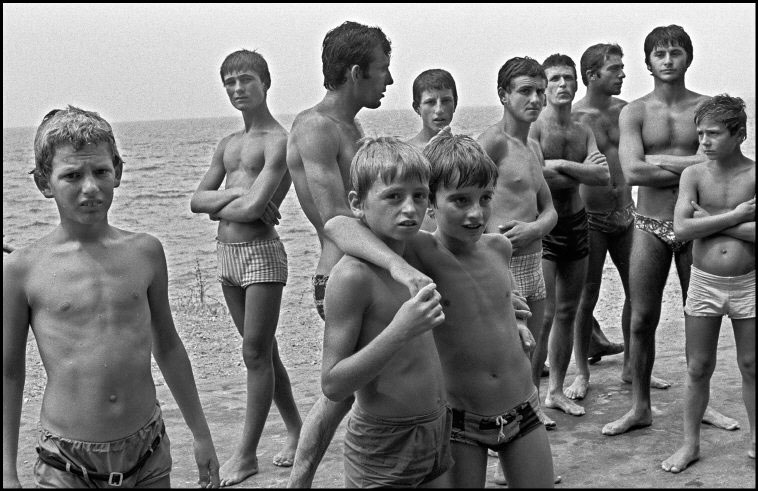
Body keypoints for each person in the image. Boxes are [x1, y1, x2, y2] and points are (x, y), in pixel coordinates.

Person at [3, 106, 220, 488]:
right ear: (43, 183)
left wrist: (201, 435)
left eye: (100, 171)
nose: (89, 187)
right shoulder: (23, 269)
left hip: (147, 449)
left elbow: (168, 346)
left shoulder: (146, 252)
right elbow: (9, 371)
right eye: (71, 175)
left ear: (117, 172)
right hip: (65, 459)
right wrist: (7, 468)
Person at [326, 133, 555, 488]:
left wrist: (516, 322)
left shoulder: (499, 249)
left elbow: (489, 305)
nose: (476, 213)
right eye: (460, 201)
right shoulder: (421, 252)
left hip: (523, 406)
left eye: (485, 199)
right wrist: (397, 266)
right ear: (431, 204)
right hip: (463, 420)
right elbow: (338, 226)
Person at [285, 21, 431, 488]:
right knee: (341, 391)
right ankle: (302, 478)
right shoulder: (315, 127)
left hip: (381, 274)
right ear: (355, 71)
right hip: (344, 277)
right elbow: (334, 218)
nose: (389, 81)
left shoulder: (353, 125)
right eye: (383, 70)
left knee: (365, 388)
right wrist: (397, 263)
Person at [603, 24, 738, 436]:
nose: (667, 60)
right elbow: (632, 170)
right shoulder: (635, 112)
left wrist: (657, 160)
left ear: (687, 58)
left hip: (697, 225)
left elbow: (712, 165)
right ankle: (640, 406)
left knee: (702, 317)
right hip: (649, 224)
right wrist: (689, 165)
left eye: (675, 52)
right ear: (647, 62)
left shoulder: (706, 109)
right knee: (642, 318)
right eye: (659, 54)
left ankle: (704, 405)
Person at [189, 49, 301, 485]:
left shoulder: (279, 140)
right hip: (226, 257)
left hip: (260, 256)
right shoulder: (227, 145)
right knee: (264, 352)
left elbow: (258, 207)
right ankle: (295, 428)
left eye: (246, 79)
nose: (238, 89)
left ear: (265, 83)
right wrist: (231, 206)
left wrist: (226, 206)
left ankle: (247, 454)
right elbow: (197, 200)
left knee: (254, 353)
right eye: (230, 82)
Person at [321, 137, 451, 487]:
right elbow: (333, 384)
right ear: (357, 203)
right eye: (393, 196)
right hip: (385, 443)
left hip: (438, 427)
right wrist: (400, 330)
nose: (409, 208)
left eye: (419, 196)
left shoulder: (418, 252)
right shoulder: (352, 277)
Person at [662, 94, 755, 472]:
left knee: (752, 365)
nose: (703, 142)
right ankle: (690, 444)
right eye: (700, 134)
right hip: (704, 283)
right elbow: (682, 228)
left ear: (740, 134)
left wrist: (712, 220)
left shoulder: (754, 175)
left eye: (713, 134)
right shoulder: (694, 175)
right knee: (698, 366)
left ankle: (755, 442)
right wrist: (736, 217)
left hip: (748, 283)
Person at [477, 56, 558, 424]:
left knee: (534, 351)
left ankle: (532, 426)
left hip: (534, 259)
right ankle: (501, 442)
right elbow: (462, 203)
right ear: (503, 95)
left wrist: (534, 229)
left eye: (540, 92)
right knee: (506, 354)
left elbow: (549, 210)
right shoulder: (493, 142)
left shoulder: (532, 147)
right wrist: (490, 239)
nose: (536, 99)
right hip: (502, 264)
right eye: (525, 91)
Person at [529, 53, 610, 415]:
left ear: (578, 83)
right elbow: (533, 174)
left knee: (567, 311)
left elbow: (602, 176)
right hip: (545, 226)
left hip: (578, 223)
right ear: (544, 86)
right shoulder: (536, 127)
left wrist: (558, 165)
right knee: (542, 315)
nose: (562, 84)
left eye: (568, 78)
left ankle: (556, 391)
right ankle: (531, 397)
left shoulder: (583, 130)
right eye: (555, 79)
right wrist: (577, 169)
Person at [571, 43, 634, 394]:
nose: (623, 74)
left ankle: (631, 366)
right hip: (590, 217)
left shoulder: (626, 112)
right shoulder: (575, 119)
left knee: (637, 292)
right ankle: (582, 373)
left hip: (626, 212)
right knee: (587, 296)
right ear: (593, 75)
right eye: (615, 69)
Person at [407, 68, 458, 232]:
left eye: (446, 101)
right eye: (430, 102)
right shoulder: (406, 153)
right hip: (419, 241)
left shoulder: (466, 152)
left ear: (455, 103)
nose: (439, 109)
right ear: (417, 108)